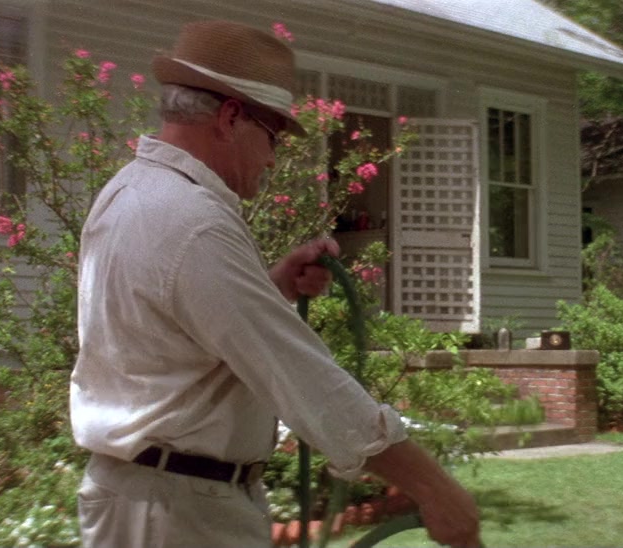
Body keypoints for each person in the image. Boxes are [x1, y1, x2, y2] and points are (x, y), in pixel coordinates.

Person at [69, 20, 480, 548]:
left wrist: (271, 286)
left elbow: (174, 333)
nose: (273, 157)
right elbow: (301, 376)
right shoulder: (193, 221)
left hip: (149, 501)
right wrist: (434, 488)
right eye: (273, 136)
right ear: (230, 117)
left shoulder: (130, 192)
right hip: (178, 516)